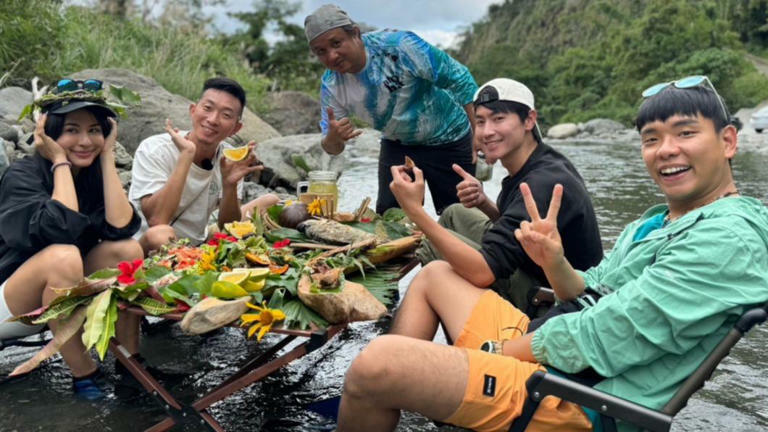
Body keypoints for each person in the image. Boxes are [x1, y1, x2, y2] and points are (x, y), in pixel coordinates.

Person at [336, 76, 768, 431]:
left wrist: (496, 352)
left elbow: (609, 335)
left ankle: (386, 388)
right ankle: (396, 393)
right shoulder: (658, 221)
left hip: (580, 399)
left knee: (375, 365)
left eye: (686, 133)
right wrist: (554, 260)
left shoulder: (728, 239)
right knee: (434, 277)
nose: (666, 150)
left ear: (728, 141)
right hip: (557, 350)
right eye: (652, 138)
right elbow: (591, 291)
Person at [393, 78, 603, 314]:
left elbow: (485, 272)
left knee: (432, 241)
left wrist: (415, 211)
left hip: (557, 300)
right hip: (532, 265)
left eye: (498, 119)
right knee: (454, 213)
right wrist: (483, 202)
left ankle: (465, 324)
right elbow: (519, 226)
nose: (487, 132)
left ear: (529, 120)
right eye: (480, 121)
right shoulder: (538, 162)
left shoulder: (541, 183)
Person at [0, 79, 144, 399]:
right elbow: (59, 229)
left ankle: (131, 367)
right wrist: (60, 162)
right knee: (64, 255)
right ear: (49, 134)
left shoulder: (92, 174)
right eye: (72, 130)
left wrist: (106, 156)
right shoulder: (22, 175)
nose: (85, 141)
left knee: (127, 251)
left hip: (61, 296)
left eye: (94, 130)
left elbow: (123, 228)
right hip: (10, 303)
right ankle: (85, 375)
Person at [305, 4, 479, 215]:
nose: (332, 56)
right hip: (398, 145)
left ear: (356, 34)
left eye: (336, 43)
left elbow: (460, 79)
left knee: (461, 216)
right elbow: (332, 148)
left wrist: (478, 131)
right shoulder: (332, 85)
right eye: (321, 52)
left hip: (449, 138)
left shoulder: (400, 46)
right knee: (390, 220)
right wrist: (334, 137)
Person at [129, 77, 278, 252]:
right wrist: (186, 155)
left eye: (226, 115)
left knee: (271, 201)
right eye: (207, 108)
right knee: (161, 234)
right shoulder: (155, 148)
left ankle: (200, 248)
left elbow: (229, 227)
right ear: (193, 110)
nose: (213, 120)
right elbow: (157, 220)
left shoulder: (230, 158)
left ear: (236, 128)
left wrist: (229, 185)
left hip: (198, 245)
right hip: (149, 245)